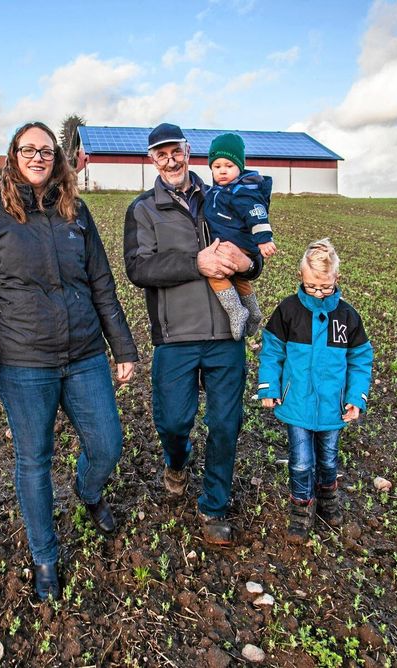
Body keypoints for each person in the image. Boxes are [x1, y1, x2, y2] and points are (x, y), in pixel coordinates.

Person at [0, 121, 138, 601]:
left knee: (108, 445)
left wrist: (122, 346)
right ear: (13, 156)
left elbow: (102, 282)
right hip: (22, 363)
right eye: (27, 149)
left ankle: (89, 490)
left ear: (58, 158)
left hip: (83, 356)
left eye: (46, 150)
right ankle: (45, 558)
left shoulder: (77, 213)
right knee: (33, 461)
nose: (37, 157)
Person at [123, 122, 262, 546]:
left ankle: (214, 504)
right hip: (175, 336)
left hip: (225, 335)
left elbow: (252, 255)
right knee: (173, 421)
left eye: (175, 150)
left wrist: (248, 264)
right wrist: (194, 263)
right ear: (152, 160)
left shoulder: (222, 194)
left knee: (225, 423)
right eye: (160, 153)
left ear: (187, 150)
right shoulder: (143, 209)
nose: (170, 159)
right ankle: (176, 462)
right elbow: (139, 269)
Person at [257, 239, 373, 543]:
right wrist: (269, 386)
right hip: (296, 403)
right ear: (300, 277)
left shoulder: (348, 317)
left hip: (333, 406)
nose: (318, 293)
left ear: (337, 279)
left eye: (324, 287)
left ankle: (328, 497)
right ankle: (301, 507)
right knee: (300, 461)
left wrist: (355, 397)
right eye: (311, 287)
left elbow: (360, 359)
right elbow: (272, 351)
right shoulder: (287, 310)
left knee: (328, 459)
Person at [203, 132, 278, 340]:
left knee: (216, 273)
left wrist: (264, 239)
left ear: (240, 166)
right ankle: (253, 312)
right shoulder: (217, 191)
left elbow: (256, 212)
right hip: (230, 243)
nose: (222, 171)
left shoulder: (241, 191)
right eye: (217, 167)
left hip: (238, 246)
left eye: (228, 165)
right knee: (240, 281)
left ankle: (236, 311)